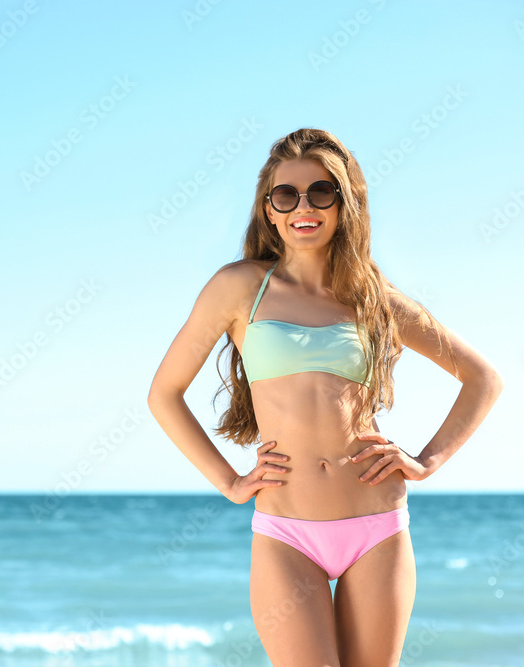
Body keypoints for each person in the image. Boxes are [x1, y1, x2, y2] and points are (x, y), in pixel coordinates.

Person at [146, 128, 504, 666]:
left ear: (344, 202)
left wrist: (426, 461)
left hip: (376, 526)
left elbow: (483, 377)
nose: (302, 207)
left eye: (320, 192)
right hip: (286, 532)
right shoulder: (239, 287)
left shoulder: (373, 298)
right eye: (285, 196)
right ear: (269, 210)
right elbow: (164, 394)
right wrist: (230, 482)